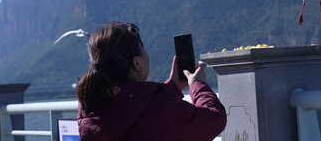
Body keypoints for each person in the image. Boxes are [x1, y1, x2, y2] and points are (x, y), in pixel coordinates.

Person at [76, 22, 226, 141]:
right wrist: (198, 84)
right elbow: (214, 119)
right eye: (144, 50)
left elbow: (135, 109)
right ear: (137, 64)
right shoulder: (159, 107)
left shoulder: (91, 106)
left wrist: (173, 87)